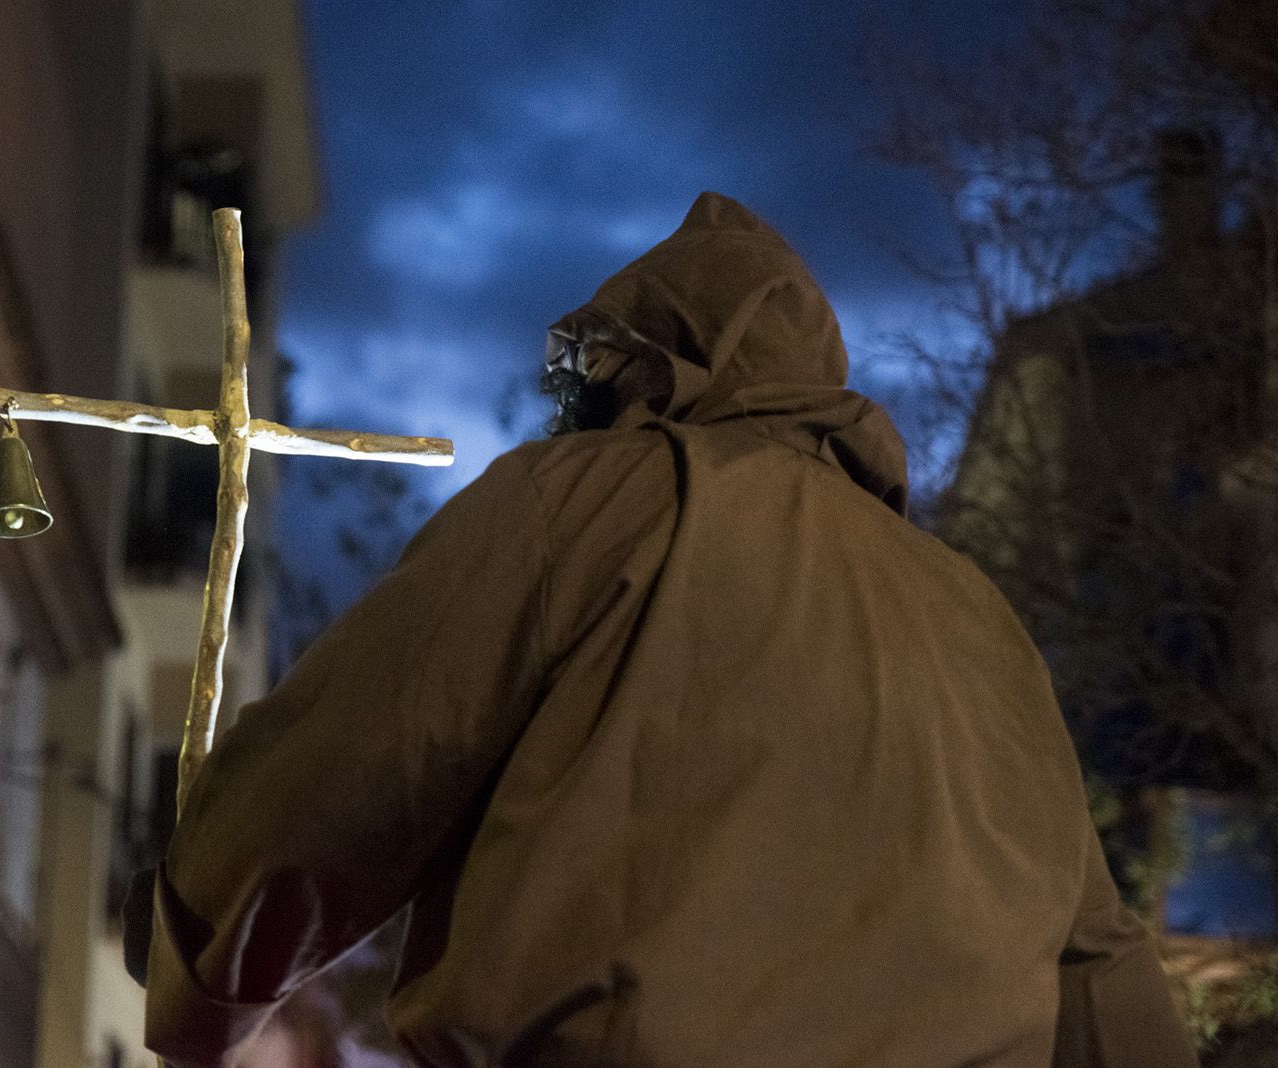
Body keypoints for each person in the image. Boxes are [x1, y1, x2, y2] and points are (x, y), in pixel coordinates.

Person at [126, 192, 1198, 1067]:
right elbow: (1099, 965)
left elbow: (355, 756)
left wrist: (193, 953)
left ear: (652, 361)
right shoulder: (980, 620)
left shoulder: (592, 502)